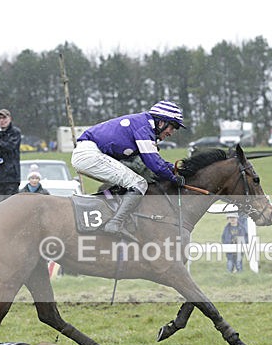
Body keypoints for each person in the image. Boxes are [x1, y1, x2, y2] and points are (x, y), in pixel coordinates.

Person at [71, 101, 186, 242]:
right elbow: (154, 164)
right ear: (161, 122)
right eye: (172, 127)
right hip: (89, 154)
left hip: (89, 153)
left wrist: (176, 170)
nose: (171, 133)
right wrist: (173, 178)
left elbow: (157, 161)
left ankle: (114, 217)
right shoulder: (144, 128)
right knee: (139, 184)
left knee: (127, 184)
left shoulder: (144, 125)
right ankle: (115, 223)